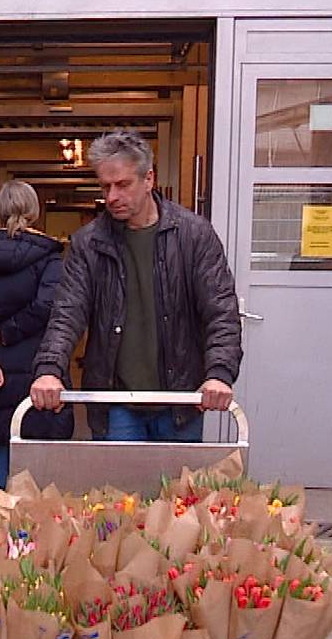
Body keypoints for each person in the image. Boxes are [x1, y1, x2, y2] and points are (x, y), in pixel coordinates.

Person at [30, 129, 242, 441]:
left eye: (123, 184)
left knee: (176, 490)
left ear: (149, 179)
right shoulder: (88, 243)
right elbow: (67, 312)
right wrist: (49, 368)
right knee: (118, 490)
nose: (112, 196)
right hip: (115, 400)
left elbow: (221, 310)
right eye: (105, 186)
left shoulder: (193, 235)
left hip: (179, 399)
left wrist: (219, 373)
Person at [0, 181, 74, 499]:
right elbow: (48, 307)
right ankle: (37, 535)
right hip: (41, 365)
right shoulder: (49, 259)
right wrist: (10, 331)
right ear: (34, 212)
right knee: (41, 452)